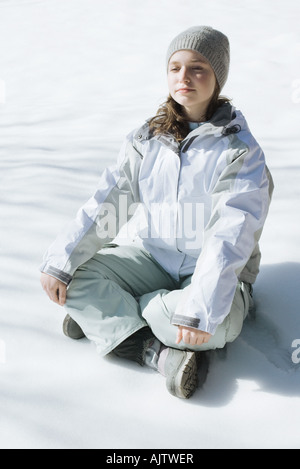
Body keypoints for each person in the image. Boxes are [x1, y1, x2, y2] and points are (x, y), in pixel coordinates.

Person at [40, 26, 274, 399]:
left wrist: (199, 308)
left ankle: (114, 321)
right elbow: (109, 202)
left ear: (217, 77)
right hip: (154, 259)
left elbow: (231, 237)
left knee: (192, 320)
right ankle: (156, 350)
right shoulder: (148, 139)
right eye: (175, 67)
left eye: (198, 68)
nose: (184, 77)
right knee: (75, 279)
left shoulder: (240, 150)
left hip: (216, 278)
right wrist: (62, 261)